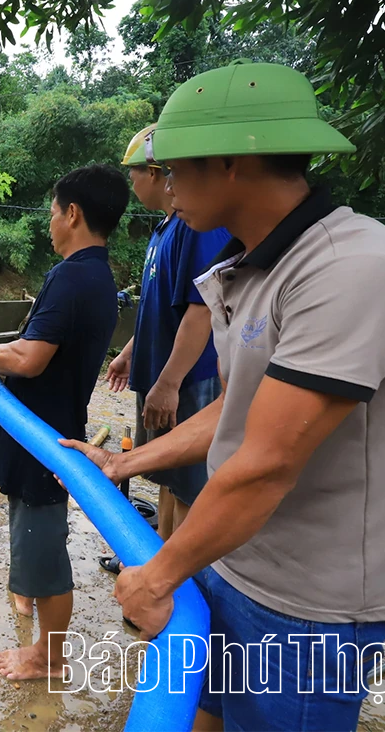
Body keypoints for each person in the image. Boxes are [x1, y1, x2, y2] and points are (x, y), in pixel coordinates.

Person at [62, 63, 385, 731]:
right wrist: (125, 464)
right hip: (237, 554)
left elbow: (267, 460)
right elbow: (235, 412)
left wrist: (158, 571)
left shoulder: (355, 270)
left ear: (232, 161)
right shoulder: (250, 268)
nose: (166, 190)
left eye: (174, 170)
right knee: (203, 710)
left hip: (312, 598)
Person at [0, 163, 129, 681]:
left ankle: (49, 655)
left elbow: (29, 359)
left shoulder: (73, 277)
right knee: (29, 530)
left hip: (43, 436)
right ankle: (27, 593)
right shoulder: (95, 275)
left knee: (43, 541)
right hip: (46, 424)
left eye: (52, 212)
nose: (49, 223)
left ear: (73, 213)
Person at [100, 125, 231, 575]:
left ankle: (177, 581)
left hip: (187, 380)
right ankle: (157, 559)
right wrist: (132, 352)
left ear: (156, 172)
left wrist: (170, 382)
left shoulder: (198, 231)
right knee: (167, 476)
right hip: (161, 377)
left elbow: (201, 310)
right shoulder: (164, 231)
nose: (131, 182)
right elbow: (161, 308)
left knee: (191, 482)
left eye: (134, 172)